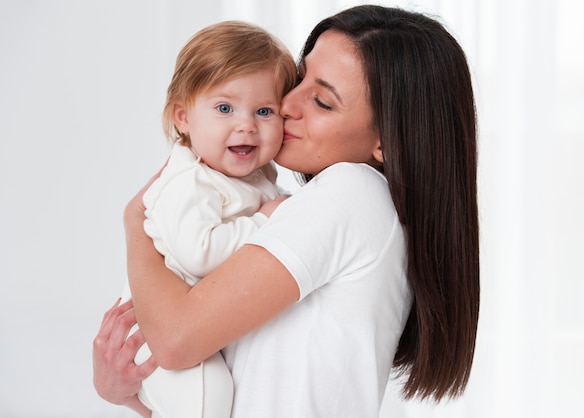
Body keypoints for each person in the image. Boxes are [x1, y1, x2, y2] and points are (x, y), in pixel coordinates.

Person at [93, 5, 480, 417]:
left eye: (321, 101)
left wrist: (137, 221)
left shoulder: (352, 191)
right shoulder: (303, 205)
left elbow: (174, 341)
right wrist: (127, 392)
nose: (286, 104)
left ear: (385, 140)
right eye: (299, 78)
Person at [117, 20, 297, 418]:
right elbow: (199, 253)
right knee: (208, 395)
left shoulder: (259, 178)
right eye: (224, 108)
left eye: (264, 110)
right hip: (155, 326)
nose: (246, 124)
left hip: (200, 320)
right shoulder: (189, 181)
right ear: (183, 117)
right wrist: (264, 223)